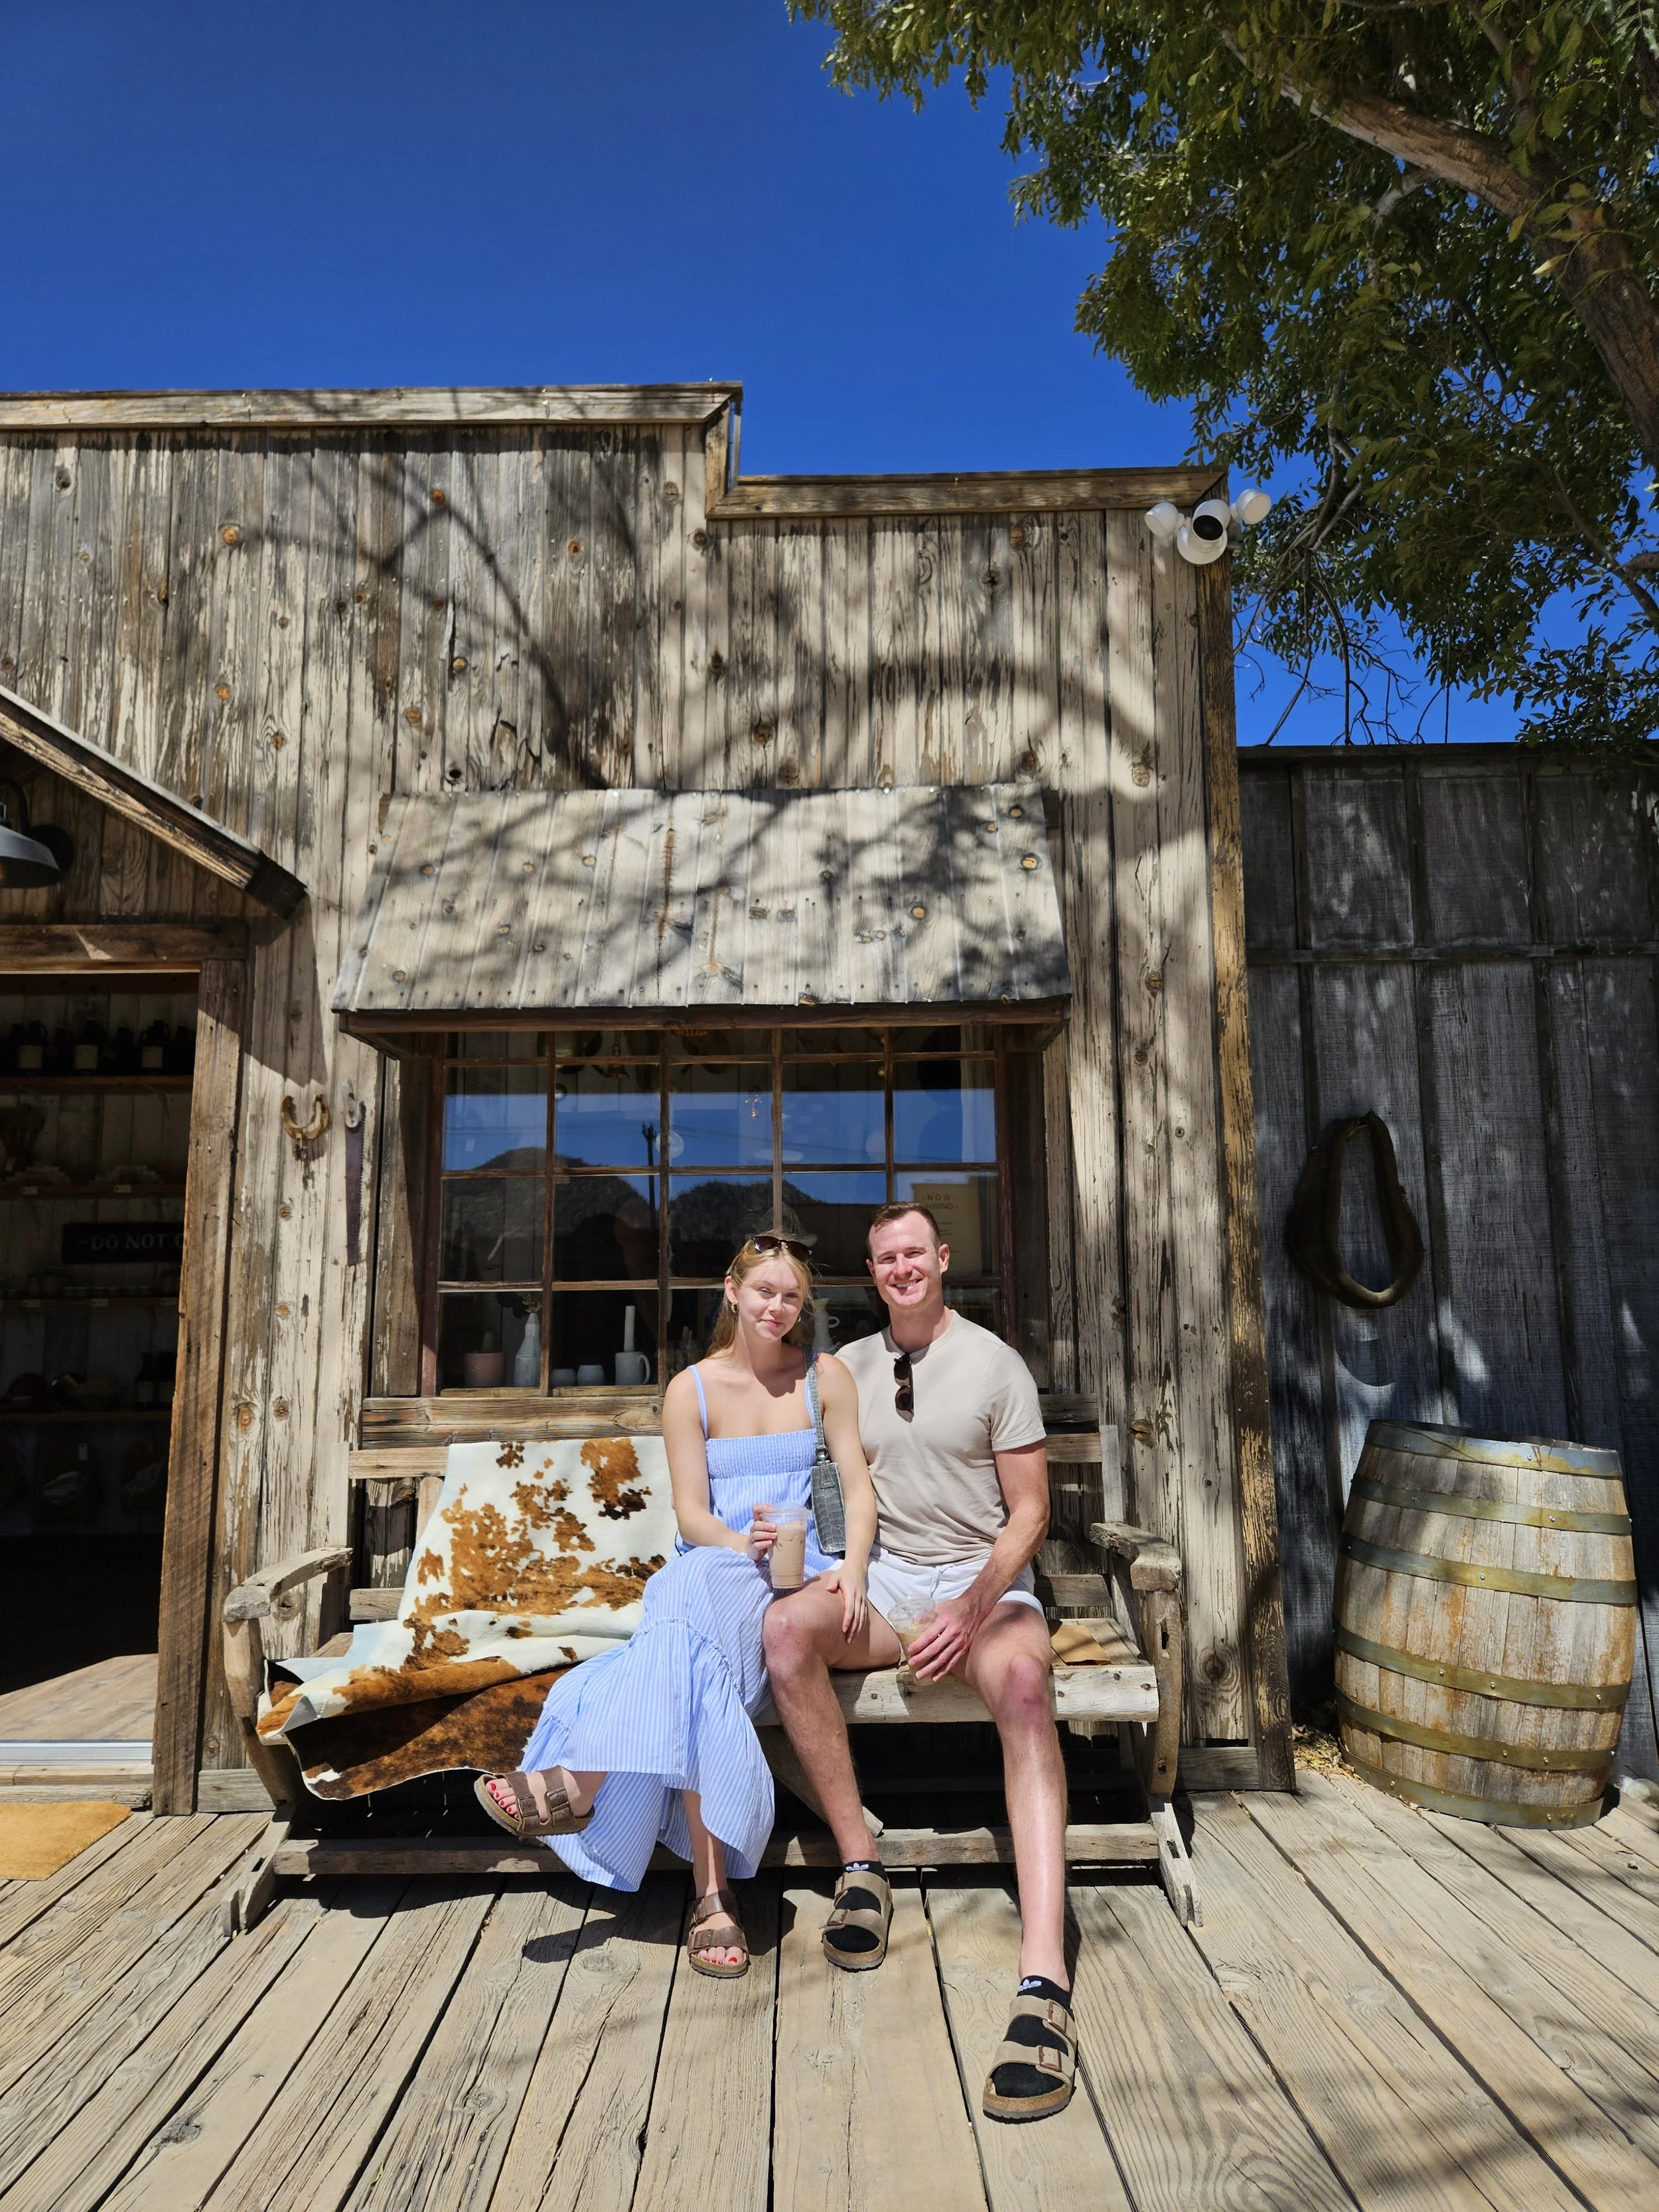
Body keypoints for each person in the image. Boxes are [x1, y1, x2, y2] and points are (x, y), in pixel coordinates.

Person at [476, 1233, 877, 1978]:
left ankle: (580, 1786)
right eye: (765, 1292)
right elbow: (692, 1514)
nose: (778, 1308)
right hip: (723, 1566)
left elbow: (856, 1485)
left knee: (681, 1616)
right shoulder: (690, 1389)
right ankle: (710, 1895)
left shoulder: (825, 1378)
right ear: (733, 1291)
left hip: (805, 1577)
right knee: (693, 1612)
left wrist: (852, 1569)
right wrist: (740, 1547)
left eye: (792, 1296)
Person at [762, 1202, 1075, 2122]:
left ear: (942, 1259)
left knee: (1023, 1680)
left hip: (981, 1586)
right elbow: (822, 1481)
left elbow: (1029, 1514)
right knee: (785, 1634)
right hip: (886, 1582)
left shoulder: (994, 1363)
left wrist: (973, 1605)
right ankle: (862, 1867)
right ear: (872, 1271)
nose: (902, 1268)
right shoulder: (848, 1367)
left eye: (916, 1253)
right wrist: (792, 1547)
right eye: (885, 1258)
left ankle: (1044, 1977)